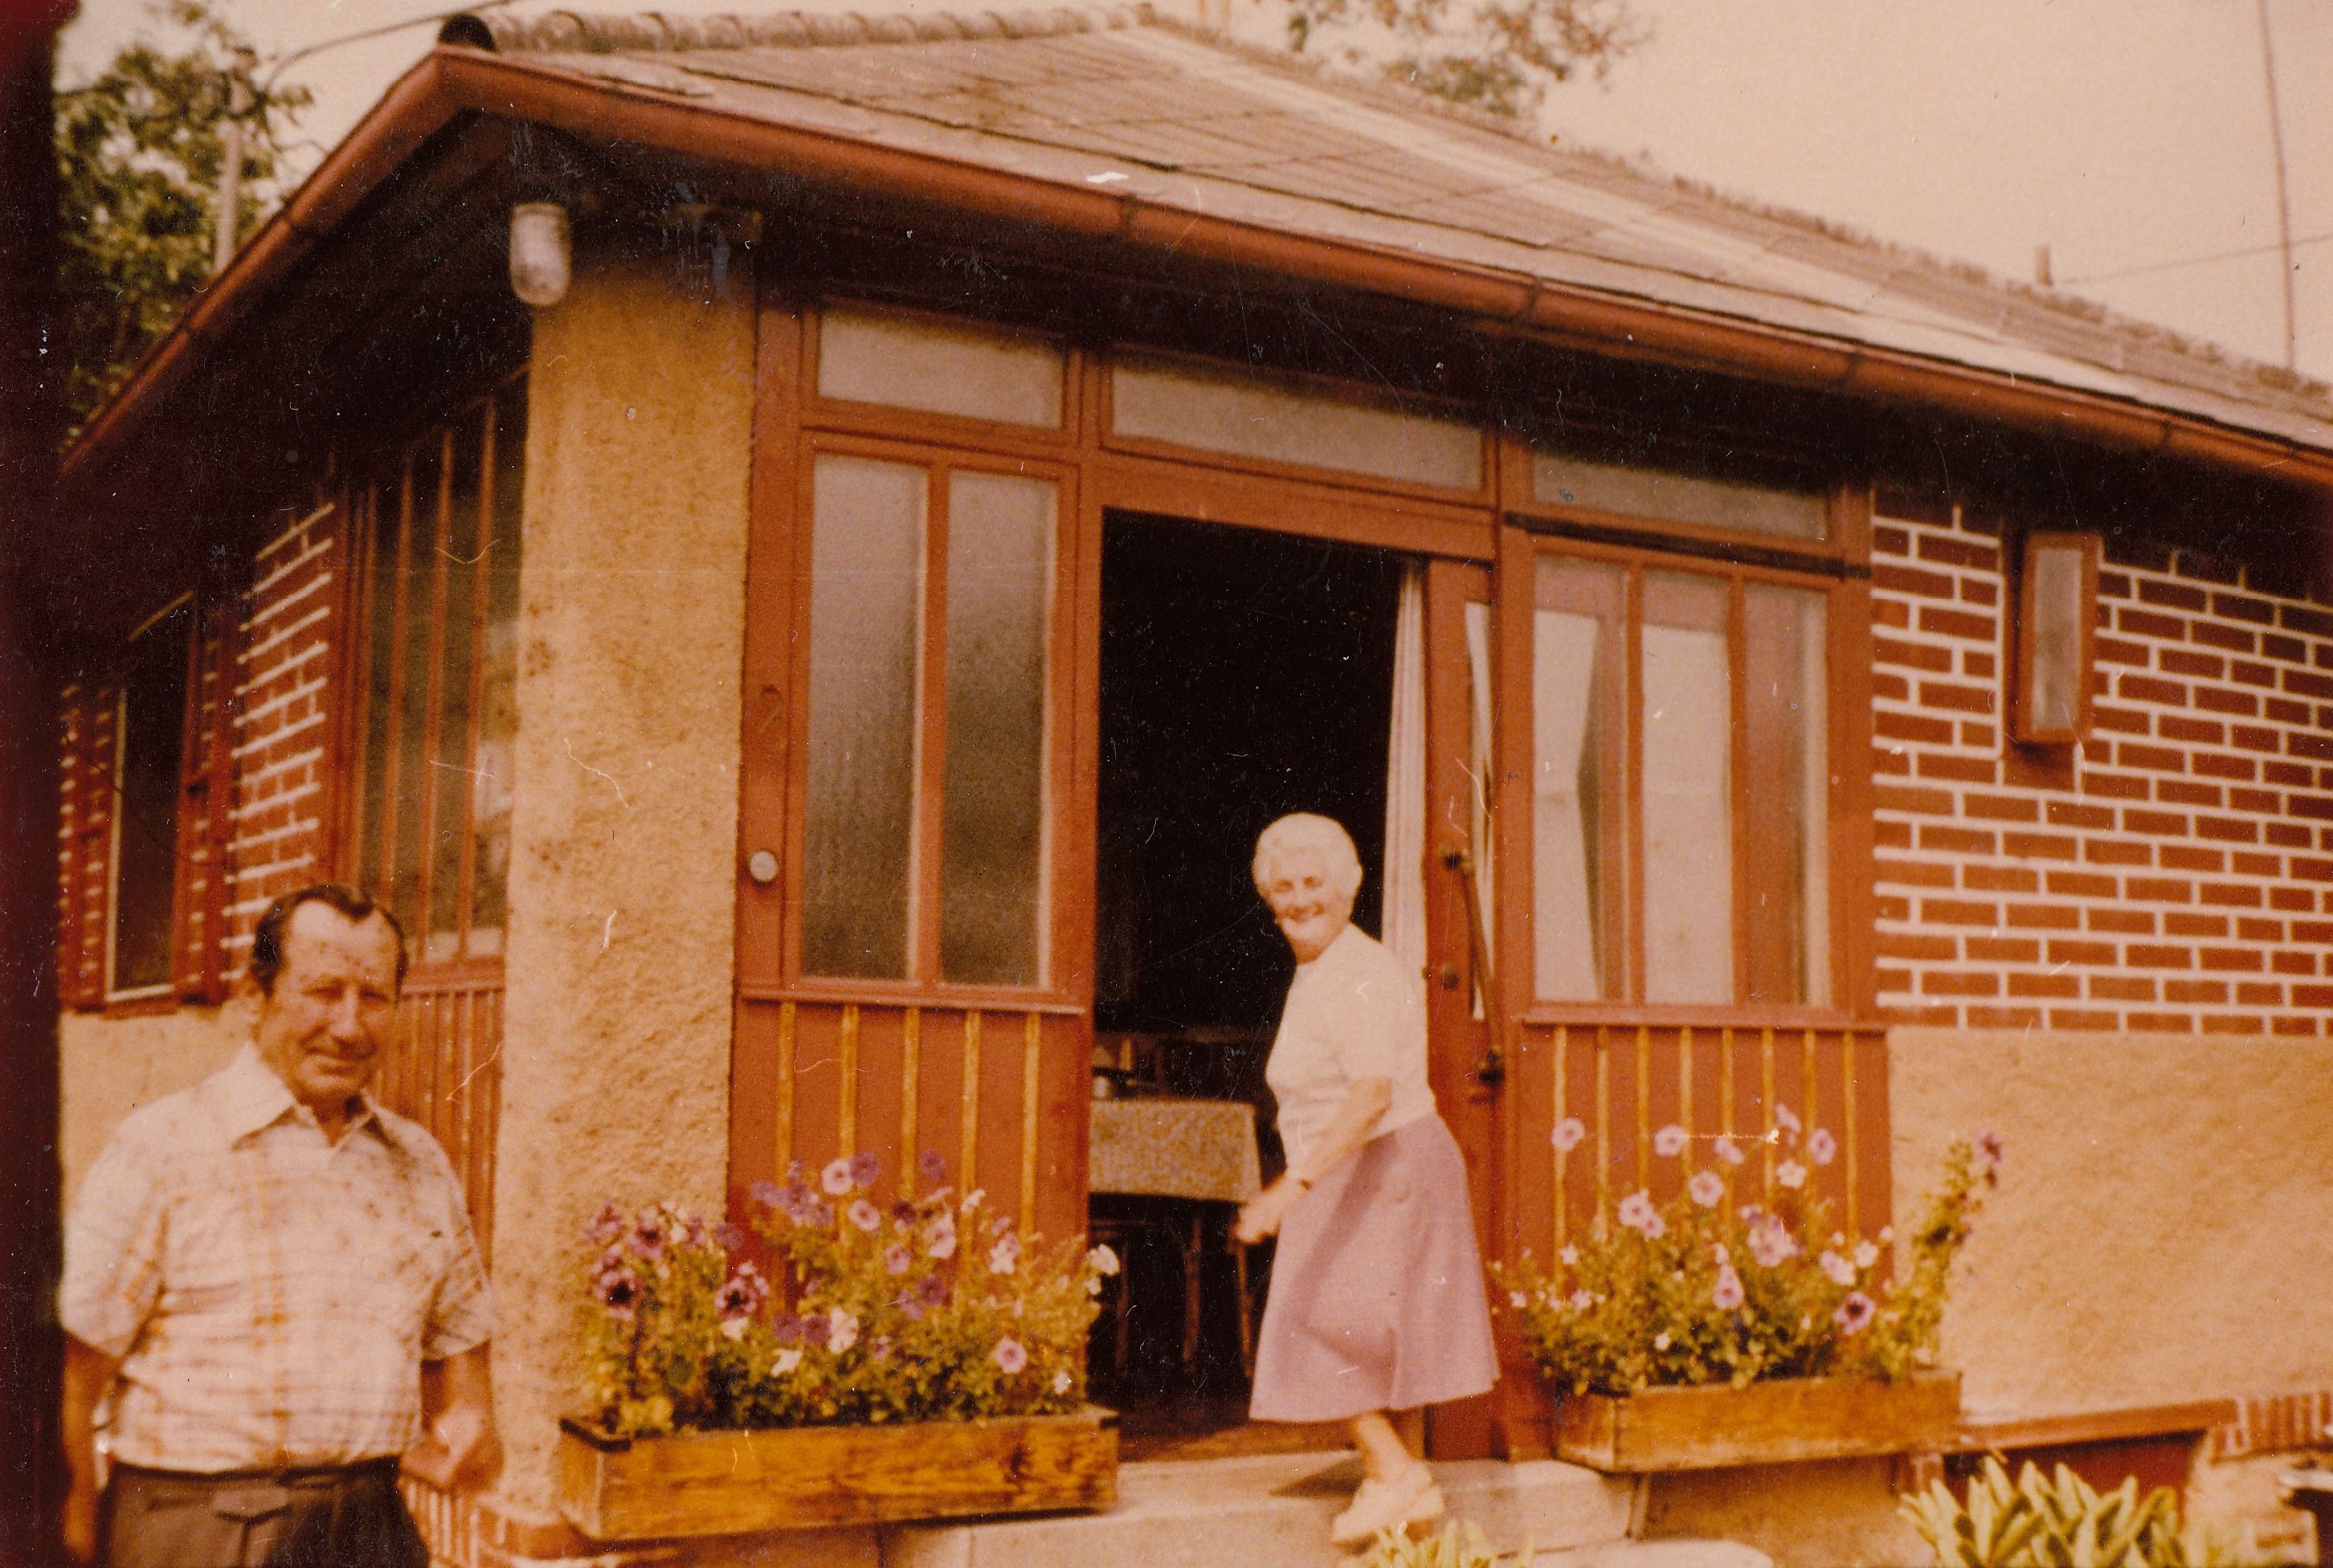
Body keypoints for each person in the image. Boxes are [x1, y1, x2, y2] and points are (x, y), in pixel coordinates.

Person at [60, 884, 500, 1568]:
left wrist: (470, 1420)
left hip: (373, 1530)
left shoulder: (418, 1163)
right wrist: (69, 1529)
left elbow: (460, 1346)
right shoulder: (163, 1147)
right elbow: (71, 1370)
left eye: (373, 997)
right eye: (323, 992)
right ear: (252, 997)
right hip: (200, 1533)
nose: (349, 1026)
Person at [1235, 813, 1499, 1549]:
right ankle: (1398, 1488)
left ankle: (1396, 1473)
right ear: (1268, 899)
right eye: (1283, 887)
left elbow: (1371, 1093)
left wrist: (1290, 1188)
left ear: (1348, 886)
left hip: (1385, 1164)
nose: (1299, 899)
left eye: (1313, 882)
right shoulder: (1322, 971)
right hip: (1369, 1163)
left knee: (1307, 1318)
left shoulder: (1357, 971)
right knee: (1384, 1337)